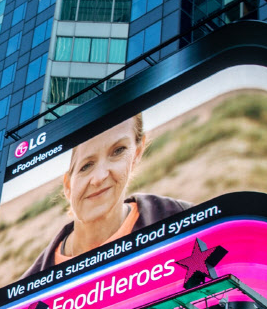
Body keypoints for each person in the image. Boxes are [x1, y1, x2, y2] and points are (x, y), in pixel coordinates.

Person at [21, 115, 191, 278]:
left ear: (136, 153)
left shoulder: (181, 217)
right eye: (86, 166)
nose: (99, 177)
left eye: (118, 151)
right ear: (68, 186)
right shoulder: (27, 289)